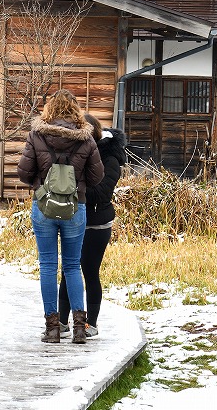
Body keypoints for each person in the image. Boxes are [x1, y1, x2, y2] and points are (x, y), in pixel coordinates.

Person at [17, 90, 104, 345]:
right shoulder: (86, 139)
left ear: (49, 109)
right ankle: (79, 327)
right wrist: (77, 184)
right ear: (76, 110)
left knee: (47, 266)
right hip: (76, 207)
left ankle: (52, 329)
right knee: (72, 265)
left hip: (43, 207)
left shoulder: (37, 135)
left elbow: (24, 172)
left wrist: (41, 184)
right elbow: (97, 176)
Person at [58, 115, 126, 339]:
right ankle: (61, 321)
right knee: (69, 271)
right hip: (75, 219)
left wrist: (76, 181)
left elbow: (101, 192)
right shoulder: (78, 153)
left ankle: (91, 324)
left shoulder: (110, 158)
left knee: (89, 271)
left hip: (98, 223)